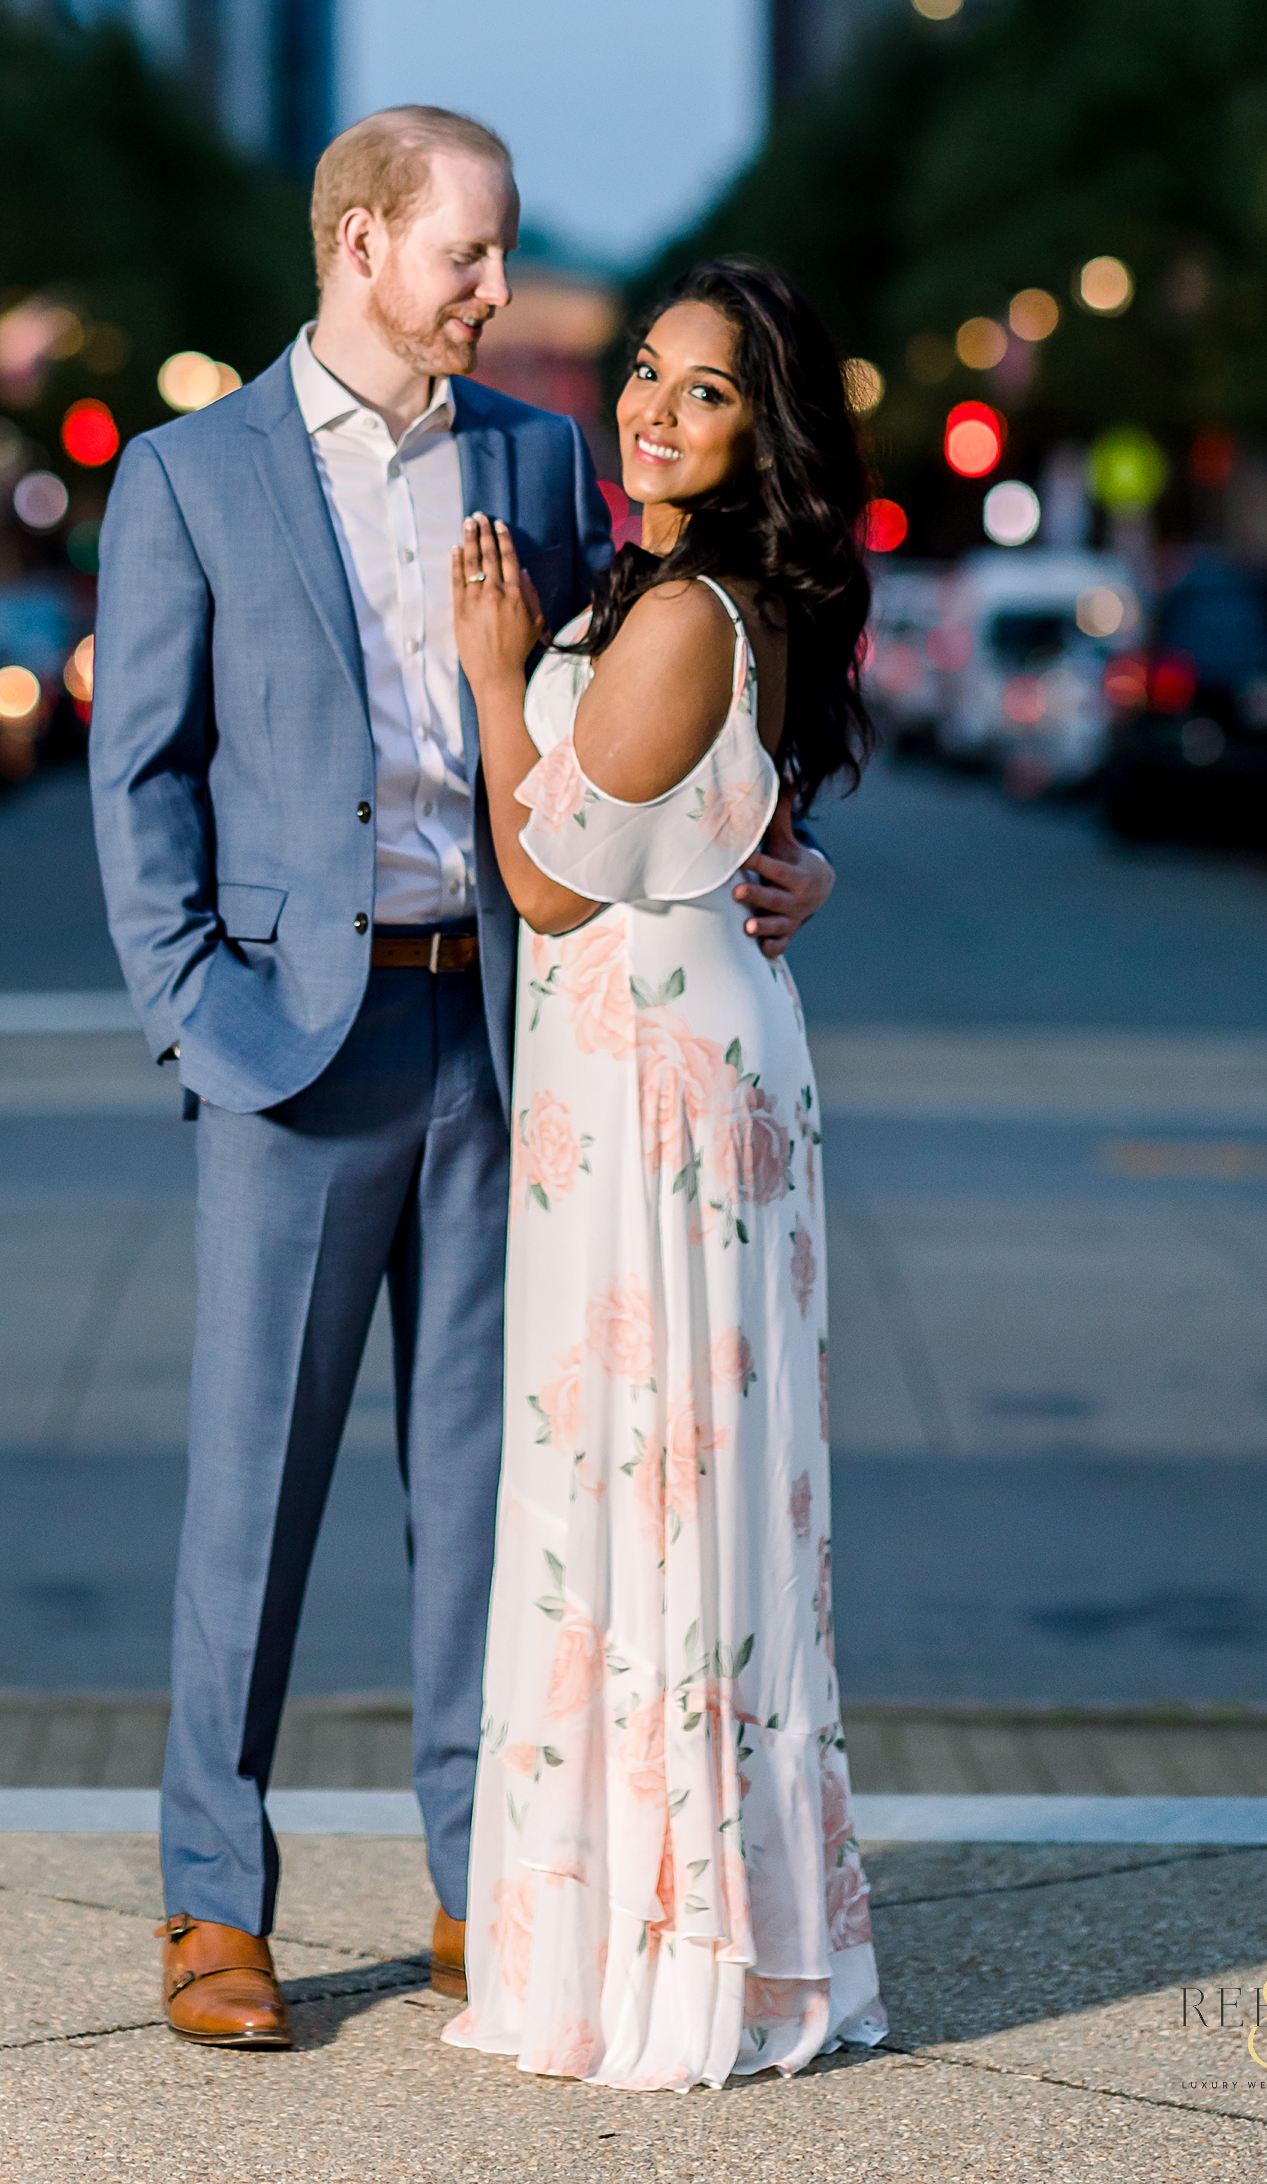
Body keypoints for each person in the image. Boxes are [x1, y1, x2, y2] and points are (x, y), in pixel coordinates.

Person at [88, 113, 836, 2053]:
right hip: (296, 1045)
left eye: (502, 260)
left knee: (492, 1493)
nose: (500, 296)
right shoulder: (189, 478)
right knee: (253, 1485)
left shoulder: (529, 460)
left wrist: (795, 848)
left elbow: (664, 702)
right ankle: (209, 1903)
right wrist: (191, 1007)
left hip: (517, 1036)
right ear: (361, 243)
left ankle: (473, 1877)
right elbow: (139, 774)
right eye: (471, 259)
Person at [443, 257, 888, 2091]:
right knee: (658, 1490)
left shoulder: (695, 606)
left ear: (759, 436)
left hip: (654, 1101)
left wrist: (491, 676)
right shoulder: (696, 594)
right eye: (646, 371)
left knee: (650, 1490)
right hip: (663, 1065)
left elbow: (550, 879)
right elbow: (720, 827)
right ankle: (687, 1919)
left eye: (702, 392)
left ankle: (667, 1952)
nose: (649, 406)